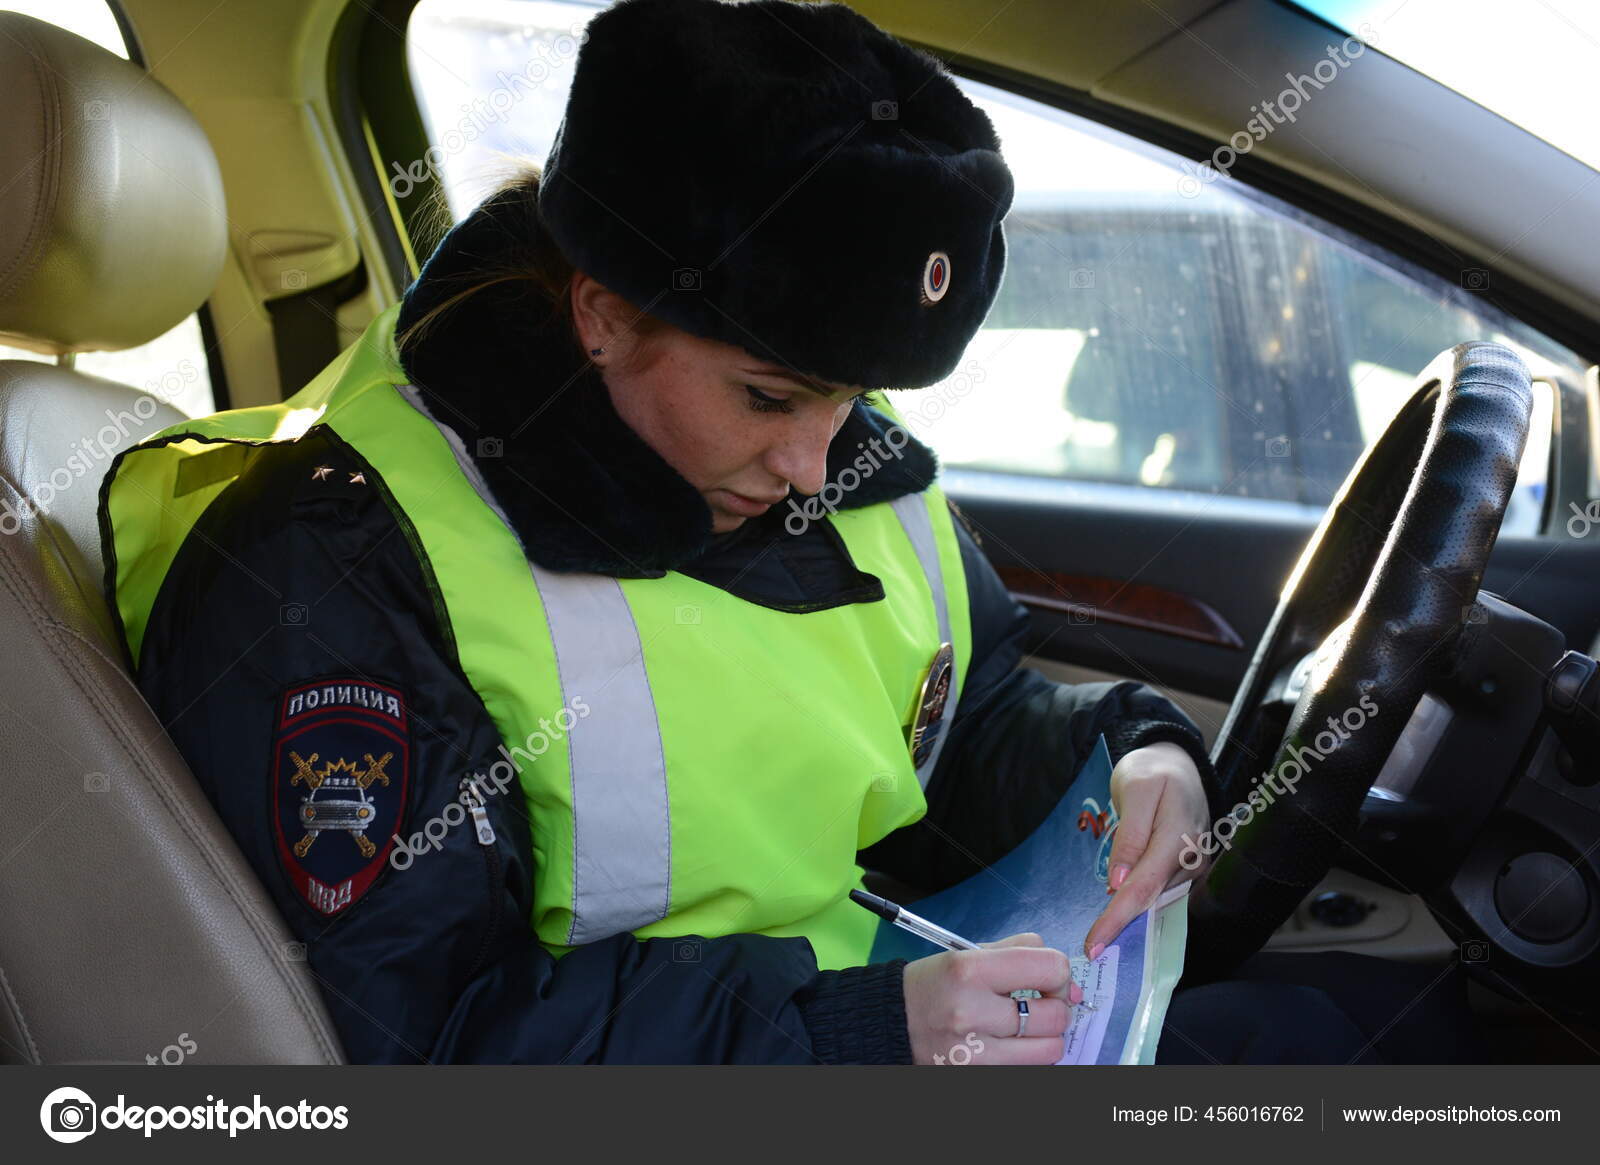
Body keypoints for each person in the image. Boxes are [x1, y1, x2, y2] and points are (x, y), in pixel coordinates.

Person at [97, 0, 1473, 1065]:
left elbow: (969, 712)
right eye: (767, 394)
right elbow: (422, 1043)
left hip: (878, 1019)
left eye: (845, 395)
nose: (816, 458)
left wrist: (1137, 749)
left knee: (1405, 1031)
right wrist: (863, 1038)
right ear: (600, 310)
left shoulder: (833, 454)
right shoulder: (329, 574)